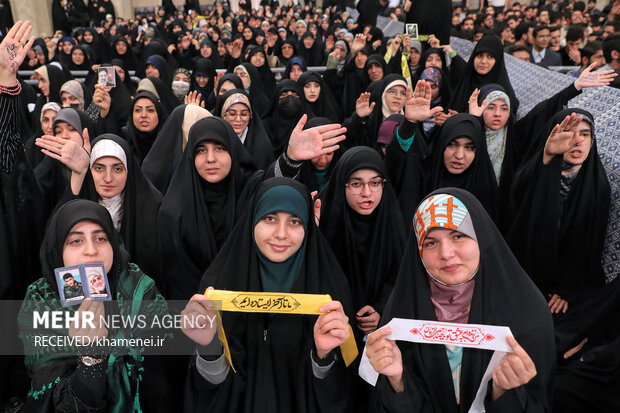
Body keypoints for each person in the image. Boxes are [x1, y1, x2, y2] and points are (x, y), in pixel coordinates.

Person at [366, 188, 555, 411]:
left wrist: (503, 392)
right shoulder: (403, 311)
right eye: (431, 243)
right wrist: (398, 381)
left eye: (458, 236)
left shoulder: (526, 313)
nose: (446, 253)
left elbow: (540, 402)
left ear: (481, 238)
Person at [181, 177, 356, 412]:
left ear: (307, 227)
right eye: (270, 218)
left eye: (294, 221)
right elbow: (205, 391)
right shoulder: (217, 286)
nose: (281, 234)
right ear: (252, 220)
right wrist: (209, 348)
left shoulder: (331, 293)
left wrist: (322, 356)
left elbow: (345, 392)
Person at [18, 199, 170, 411]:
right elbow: (54, 400)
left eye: (101, 238)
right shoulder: (42, 300)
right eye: (76, 241)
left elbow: (167, 368)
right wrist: (91, 356)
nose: (91, 250)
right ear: (57, 251)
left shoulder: (138, 287)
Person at [318, 146, 407, 346]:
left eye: (375, 183)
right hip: (330, 332)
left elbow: (401, 276)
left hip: (383, 339)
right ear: (342, 185)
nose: (367, 193)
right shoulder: (324, 224)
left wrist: (382, 310)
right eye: (356, 183)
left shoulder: (392, 222)